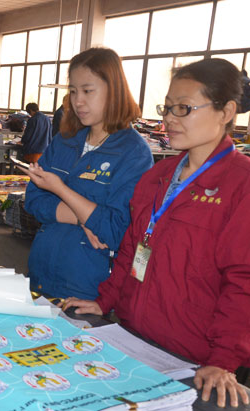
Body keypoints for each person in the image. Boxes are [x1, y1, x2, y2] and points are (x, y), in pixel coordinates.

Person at [61, 58, 250, 409]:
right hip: (134, 338)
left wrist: (223, 360)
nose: (170, 119)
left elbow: (244, 282)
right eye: (167, 107)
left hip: (195, 359)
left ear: (226, 112)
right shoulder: (158, 177)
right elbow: (133, 247)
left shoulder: (241, 185)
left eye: (184, 108)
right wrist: (105, 301)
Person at [21, 47, 153, 300]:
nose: (77, 101)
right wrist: (84, 218)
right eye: (73, 91)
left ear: (114, 91)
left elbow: (115, 229)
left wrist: (60, 189)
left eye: (87, 91)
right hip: (41, 271)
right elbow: (34, 201)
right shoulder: (65, 141)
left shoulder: (133, 153)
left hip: (88, 285)